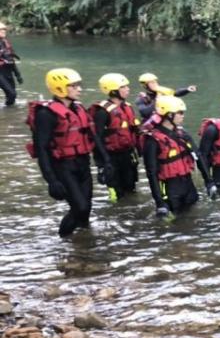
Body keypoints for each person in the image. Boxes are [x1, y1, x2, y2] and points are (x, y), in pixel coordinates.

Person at [26, 69, 110, 237]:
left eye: (78, 85)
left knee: (86, 208)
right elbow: (41, 149)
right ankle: (63, 241)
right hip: (63, 167)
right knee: (80, 207)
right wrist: (51, 180)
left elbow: (93, 137)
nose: (79, 89)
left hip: (83, 164)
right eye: (74, 86)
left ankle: (83, 244)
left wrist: (105, 162)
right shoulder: (46, 114)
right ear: (59, 88)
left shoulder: (79, 109)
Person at [142, 96, 209, 218]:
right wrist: (160, 203)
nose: (183, 115)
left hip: (188, 185)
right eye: (180, 113)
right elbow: (151, 173)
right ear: (168, 115)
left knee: (195, 218)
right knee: (175, 223)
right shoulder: (152, 140)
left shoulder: (182, 134)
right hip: (169, 189)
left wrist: (209, 182)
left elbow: (198, 156)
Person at [90, 73, 140, 203]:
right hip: (111, 157)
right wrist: (103, 163)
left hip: (127, 154)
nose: (128, 89)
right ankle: (115, 213)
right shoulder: (102, 112)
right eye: (123, 87)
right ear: (113, 90)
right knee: (116, 193)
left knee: (130, 187)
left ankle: (130, 213)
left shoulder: (127, 107)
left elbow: (134, 130)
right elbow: (97, 139)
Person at [0, 22, 23, 107]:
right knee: (11, 94)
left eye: (4, 30)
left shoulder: (6, 43)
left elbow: (11, 60)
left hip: (8, 71)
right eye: (1, 30)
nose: (3, 31)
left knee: (13, 96)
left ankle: (7, 112)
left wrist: (18, 75)